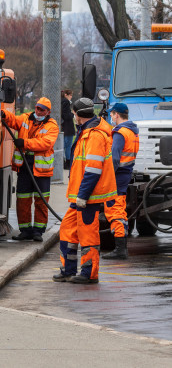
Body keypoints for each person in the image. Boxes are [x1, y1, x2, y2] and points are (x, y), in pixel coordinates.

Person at [53, 98, 117, 284]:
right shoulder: (88, 132)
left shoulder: (95, 135)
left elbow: (93, 170)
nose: (73, 116)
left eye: (74, 113)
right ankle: (68, 269)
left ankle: (89, 273)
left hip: (88, 196)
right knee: (67, 229)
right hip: (81, 195)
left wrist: (82, 195)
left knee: (88, 233)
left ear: (78, 115)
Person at [1, 97, 59, 242]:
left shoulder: (52, 126)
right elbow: (13, 120)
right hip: (25, 166)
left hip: (41, 170)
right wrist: (3, 114)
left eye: (42, 110)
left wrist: (24, 143)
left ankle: (38, 231)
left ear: (48, 112)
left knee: (41, 200)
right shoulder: (26, 118)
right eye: (37, 108)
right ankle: (25, 230)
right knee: (23, 199)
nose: (38, 111)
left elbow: (45, 143)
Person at [103, 103, 139, 259]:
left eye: (112, 114)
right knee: (120, 209)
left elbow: (114, 159)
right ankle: (121, 246)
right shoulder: (133, 132)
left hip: (116, 177)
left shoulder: (119, 133)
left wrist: (105, 177)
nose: (111, 117)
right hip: (125, 174)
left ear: (116, 114)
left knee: (114, 209)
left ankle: (120, 249)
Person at [61, 89, 75, 169]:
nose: (71, 97)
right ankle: (68, 162)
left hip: (63, 127)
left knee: (63, 145)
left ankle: (62, 161)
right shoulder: (66, 102)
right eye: (70, 95)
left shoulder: (60, 101)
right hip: (68, 127)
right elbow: (66, 115)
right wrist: (72, 114)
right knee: (68, 146)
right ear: (66, 95)